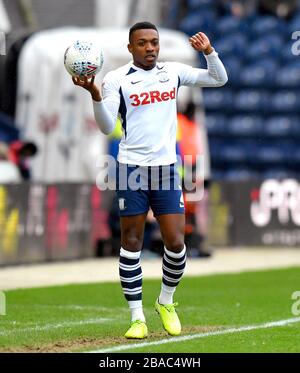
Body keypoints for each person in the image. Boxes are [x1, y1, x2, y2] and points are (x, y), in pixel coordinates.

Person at [72, 22, 227, 339]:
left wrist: (209, 52)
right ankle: (137, 317)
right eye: (142, 43)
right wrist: (95, 95)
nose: (150, 48)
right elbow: (105, 127)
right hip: (131, 169)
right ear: (131, 48)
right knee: (131, 244)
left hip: (167, 169)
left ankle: (166, 302)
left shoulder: (173, 73)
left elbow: (218, 78)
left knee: (176, 242)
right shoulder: (116, 79)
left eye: (154, 42)